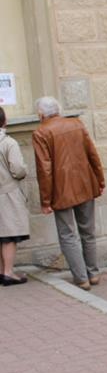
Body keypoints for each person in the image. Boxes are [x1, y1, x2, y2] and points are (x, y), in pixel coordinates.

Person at [32, 96, 104, 291]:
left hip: (61, 190)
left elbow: (44, 170)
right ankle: (93, 273)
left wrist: (46, 200)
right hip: (85, 183)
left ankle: (81, 278)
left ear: (41, 114)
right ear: (58, 109)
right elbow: (92, 154)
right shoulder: (77, 124)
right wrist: (100, 180)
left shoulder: (41, 132)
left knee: (68, 235)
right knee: (88, 231)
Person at [0, 107, 30, 285]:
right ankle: (8, 272)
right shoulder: (8, 143)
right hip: (7, 193)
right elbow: (18, 169)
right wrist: (24, 171)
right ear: (4, 121)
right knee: (9, 234)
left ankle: (1, 271)